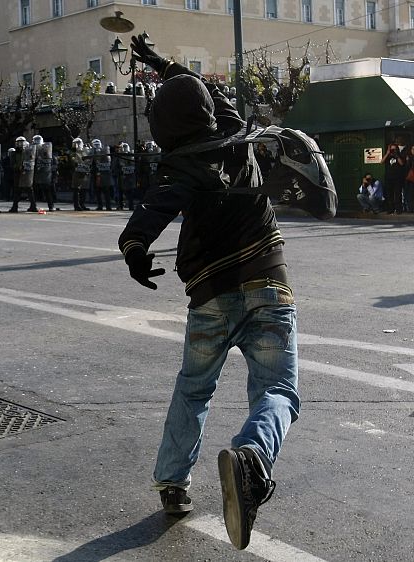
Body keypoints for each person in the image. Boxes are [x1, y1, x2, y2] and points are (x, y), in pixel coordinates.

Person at [118, 35, 298, 551]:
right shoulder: (240, 132)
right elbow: (210, 96)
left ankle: (173, 483)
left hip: (210, 296)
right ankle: (252, 458)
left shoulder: (180, 163)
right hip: (268, 281)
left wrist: (134, 250)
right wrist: (164, 63)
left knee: (194, 386)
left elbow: (151, 212)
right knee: (277, 390)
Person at [9, 136, 38, 213]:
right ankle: (14, 207)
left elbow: (32, 161)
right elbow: (12, 164)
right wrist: (18, 167)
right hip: (18, 173)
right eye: (19, 142)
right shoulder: (14, 153)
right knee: (17, 191)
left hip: (27, 173)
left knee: (29, 190)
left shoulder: (29, 152)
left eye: (22, 142)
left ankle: (33, 206)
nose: (21, 144)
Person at [32, 135, 56, 212]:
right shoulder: (33, 152)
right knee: (34, 191)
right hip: (36, 173)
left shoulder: (48, 151)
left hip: (46, 173)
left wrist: (53, 173)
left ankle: (51, 206)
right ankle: (33, 206)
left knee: (47, 190)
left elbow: (53, 162)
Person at [382, 140, 406, 214]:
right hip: (389, 178)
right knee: (389, 194)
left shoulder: (400, 155)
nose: (393, 150)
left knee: (397, 194)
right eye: (392, 149)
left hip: (397, 178)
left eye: (394, 149)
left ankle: (398, 209)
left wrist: (396, 155)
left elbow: (402, 163)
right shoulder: (388, 156)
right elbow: (381, 162)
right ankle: (390, 209)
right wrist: (388, 153)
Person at [90, 139, 113, 211]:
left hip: (99, 174)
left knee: (100, 191)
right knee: (104, 192)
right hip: (103, 174)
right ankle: (107, 206)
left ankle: (102, 206)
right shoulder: (104, 151)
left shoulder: (102, 152)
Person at [69, 138, 90, 211]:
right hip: (77, 171)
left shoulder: (85, 150)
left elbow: (88, 160)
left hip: (84, 170)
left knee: (83, 189)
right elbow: (72, 160)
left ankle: (82, 204)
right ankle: (77, 205)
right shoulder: (73, 151)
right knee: (76, 189)